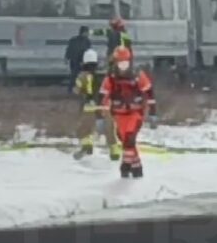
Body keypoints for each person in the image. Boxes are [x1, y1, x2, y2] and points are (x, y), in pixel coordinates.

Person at [100, 46, 157, 178]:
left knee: (130, 139)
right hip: (119, 114)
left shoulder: (138, 76)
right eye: (120, 63)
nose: (123, 66)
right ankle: (137, 166)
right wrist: (100, 116)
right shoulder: (110, 78)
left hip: (135, 113)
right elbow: (103, 96)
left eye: (125, 63)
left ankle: (125, 164)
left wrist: (153, 112)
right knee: (124, 139)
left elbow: (149, 93)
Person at [73, 49, 120, 160]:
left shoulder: (82, 75)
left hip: (89, 107)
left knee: (84, 129)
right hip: (105, 106)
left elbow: (77, 90)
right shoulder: (104, 74)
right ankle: (114, 152)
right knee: (110, 131)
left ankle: (87, 145)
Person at [64, 26, 91, 93]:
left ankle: (75, 89)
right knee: (76, 75)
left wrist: (66, 58)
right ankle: (72, 89)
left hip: (78, 60)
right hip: (77, 60)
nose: (88, 34)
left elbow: (68, 50)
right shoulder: (82, 41)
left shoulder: (85, 41)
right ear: (84, 32)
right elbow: (69, 50)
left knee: (77, 75)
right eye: (87, 32)